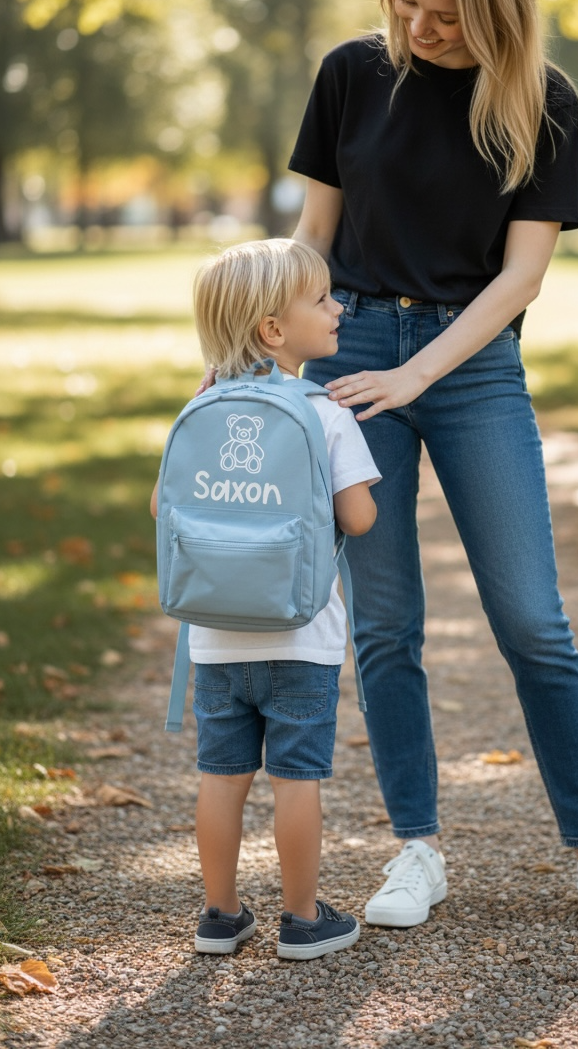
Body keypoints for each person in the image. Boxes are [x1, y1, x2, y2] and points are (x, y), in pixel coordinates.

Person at [289, 0, 578, 937]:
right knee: (387, 623)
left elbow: (522, 276)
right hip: (351, 352)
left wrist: (421, 377)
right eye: (408, 4)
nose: (419, 28)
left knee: (533, 621)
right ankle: (416, 847)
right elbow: (312, 237)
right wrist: (268, 355)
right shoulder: (350, 74)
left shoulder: (542, 100)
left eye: (444, 16)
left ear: (494, 13)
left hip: (474, 364)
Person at [151, 239, 381, 958]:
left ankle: (219, 917)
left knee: (220, 778)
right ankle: (304, 920)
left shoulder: (202, 409)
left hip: (216, 638)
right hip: (301, 638)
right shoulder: (324, 411)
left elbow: (164, 506)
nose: (338, 307)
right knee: (296, 779)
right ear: (274, 331)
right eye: (321, 299)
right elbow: (359, 520)